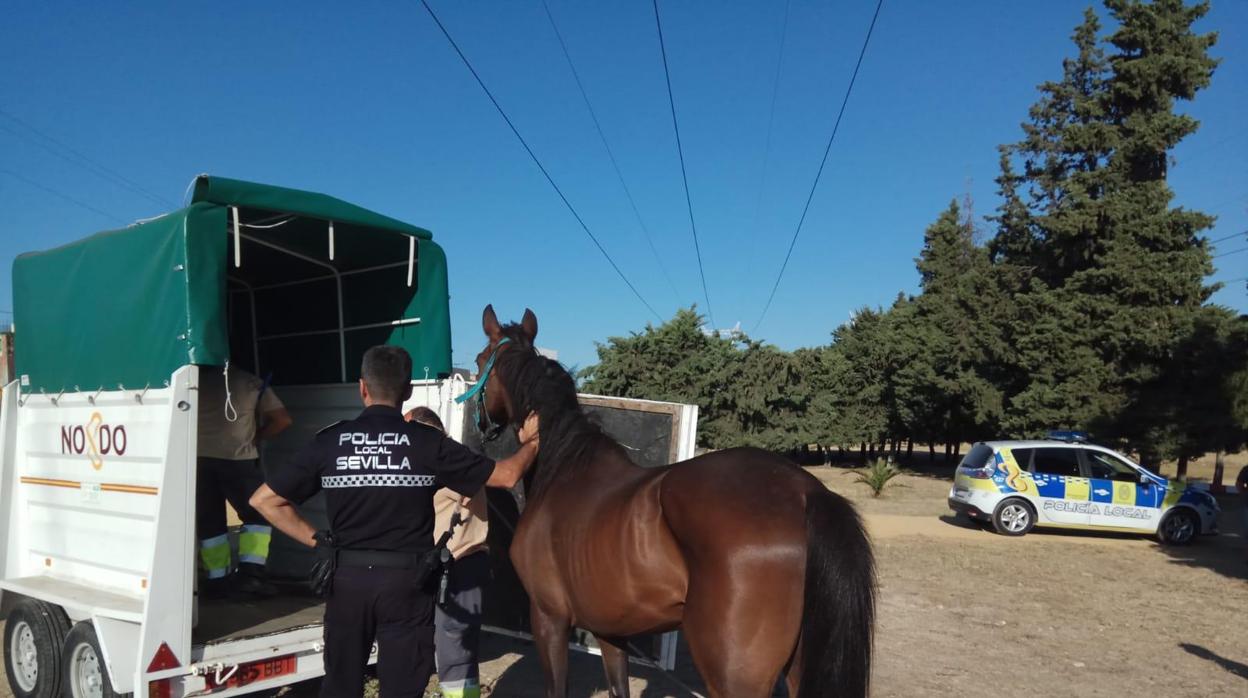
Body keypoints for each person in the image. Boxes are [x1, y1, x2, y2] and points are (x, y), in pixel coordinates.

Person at [249, 346, 539, 698]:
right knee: (402, 686)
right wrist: (535, 441)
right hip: (407, 586)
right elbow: (508, 476)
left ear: (362, 388)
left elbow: (264, 501)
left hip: (348, 582)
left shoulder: (330, 441)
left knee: (340, 684)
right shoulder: (427, 443)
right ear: (407, 392)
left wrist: (321, 541)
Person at [405, 407, 490, 698]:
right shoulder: (455, 461)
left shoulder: (450, 462)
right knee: (455, 651)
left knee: (455, 651)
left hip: (457, 567)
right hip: (450, 567)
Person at [197, 364, 292, 597]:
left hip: (198, 461)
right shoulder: (250, 382)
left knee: (210, 523)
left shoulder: (194, 382)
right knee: (258, 515)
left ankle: (216, 580)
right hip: (238, 460)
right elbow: (282, 420)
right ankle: (251, 576)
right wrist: (257, 437)